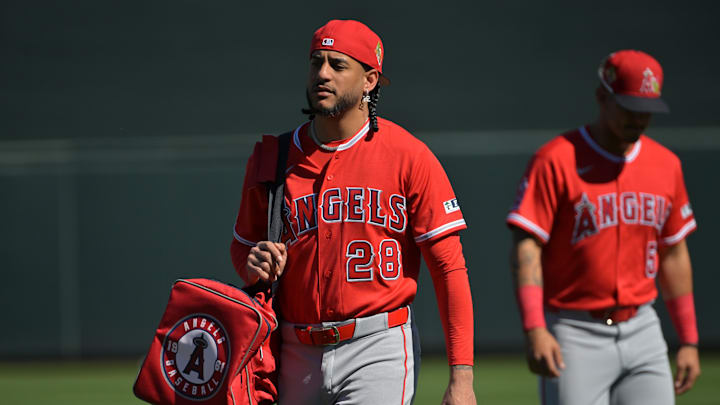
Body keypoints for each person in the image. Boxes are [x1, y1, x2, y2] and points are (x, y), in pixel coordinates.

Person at [230, 19, 476, 405]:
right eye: (316, 62)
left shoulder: (409, 156)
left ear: (370, 80)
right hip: (294, 351)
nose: (322, 74)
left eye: (337, 64)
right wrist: (255, 263)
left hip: (377, 346)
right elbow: (242, 252)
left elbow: (449, 268)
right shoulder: (273, 158)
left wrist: (461, 376)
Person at [506, 50, 701, 404]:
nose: (639, 119)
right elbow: (527, 247)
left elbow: (674, 253)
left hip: (643, 327)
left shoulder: (665, 164)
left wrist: (688, 339)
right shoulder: (556, 159)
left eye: (647, 110)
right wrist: (535, 327)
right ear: (602, 96)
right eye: (629, 107)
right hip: (575, 331)